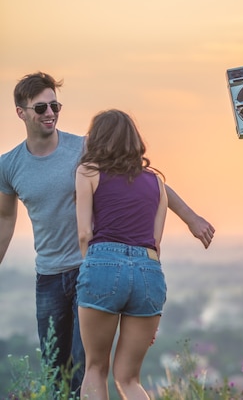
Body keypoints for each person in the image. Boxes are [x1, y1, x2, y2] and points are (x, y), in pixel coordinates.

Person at [0, 72, 215, 394]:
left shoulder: (86, 149)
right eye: (41, 108)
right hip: (49, 273)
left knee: (86, 367)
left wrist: (191, 218)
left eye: (55, 106)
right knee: (54, 367)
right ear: (21, 112)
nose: (50, 113)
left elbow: (143, 180)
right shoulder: (9, 165)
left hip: (91, 266)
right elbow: (5, 218)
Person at [75, 109, 167, 399]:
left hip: (102, 262)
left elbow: (84, 234)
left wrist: (90, 270)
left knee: (95, 369)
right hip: (149, 272)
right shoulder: (157, 182)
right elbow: (155, 242)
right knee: (128, 379)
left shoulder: (88, 171)